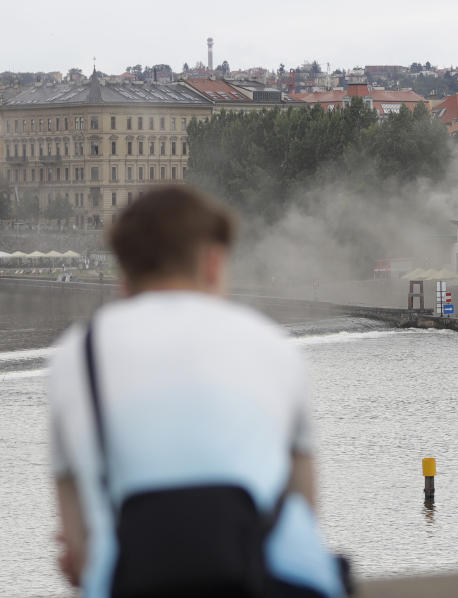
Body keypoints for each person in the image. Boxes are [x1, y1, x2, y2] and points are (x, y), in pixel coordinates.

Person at [49, 186, 344, 598]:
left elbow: (77, 549)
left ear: (123, 276)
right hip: (283, 585)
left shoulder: (75, 356)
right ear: (212, 262)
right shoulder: (274, 345)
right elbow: (305, 503)